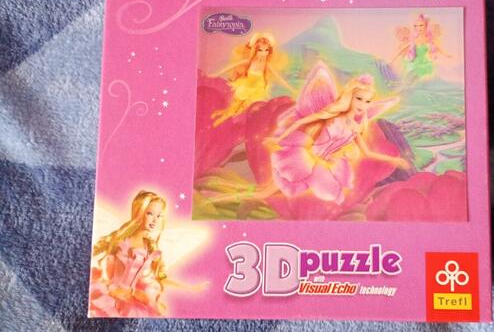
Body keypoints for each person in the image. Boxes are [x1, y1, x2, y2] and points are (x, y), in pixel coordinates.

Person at [205, 62, 409, 206]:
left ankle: (217, 195)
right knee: (263, 193)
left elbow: (367, 153)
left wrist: (394, 160)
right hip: (302, 157)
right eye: (359, 99)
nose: (362, 105)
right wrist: (279, 139)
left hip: (325, 166)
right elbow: (301, 122)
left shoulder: (356, 128)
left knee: (264, 193)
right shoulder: (332, 116)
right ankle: (216, 198)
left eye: (367, 101)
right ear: (350, 97)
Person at [89, 191, 169, 317]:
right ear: (139, 212)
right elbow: (103, 264)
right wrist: (111, 287)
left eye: (158, 216)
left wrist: (189, 287)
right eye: (149, 213)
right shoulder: (121, 240)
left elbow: (159, 275)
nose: (154, 220)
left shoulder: (149, 247)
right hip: (110, 295)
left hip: (131, 299)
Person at [208, 33, 294, 126]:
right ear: (255, 51)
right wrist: (216, 74)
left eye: (266, 50)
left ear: (269, 52)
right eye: (260, 50)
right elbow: (231, 67)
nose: (263, 53)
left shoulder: (266, 65)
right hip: (245, 87)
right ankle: (219, 118)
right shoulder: (249, 62)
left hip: (256, 91)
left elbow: (278, 78)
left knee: (240, 110)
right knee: (234, 107)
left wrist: (291, 88)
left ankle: (221, 118)